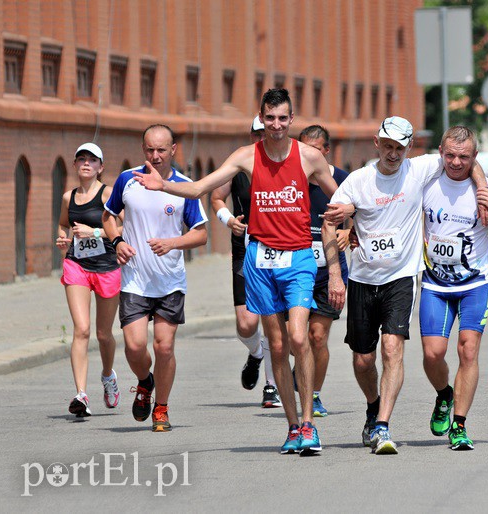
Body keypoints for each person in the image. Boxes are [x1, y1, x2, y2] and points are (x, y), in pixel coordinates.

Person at [131, 89, 344, 455]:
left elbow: (340, 197)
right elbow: (202, 187)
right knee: (276, 345)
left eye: (282, 118)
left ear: (291, 120)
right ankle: (293, 427)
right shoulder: (246, 156)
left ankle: (309, 423)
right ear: (261, 119)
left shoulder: (309, 157)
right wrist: (163, 184)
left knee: (297, 337)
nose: (275, 126)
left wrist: (347, 224)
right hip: (260, 259)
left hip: (298, 258)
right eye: (269, 119)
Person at [323, 116, 488, 455]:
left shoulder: (419, 169)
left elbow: (465, 158)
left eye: (400, 147)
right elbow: (329, 223)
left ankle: (383, 426)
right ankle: (373, 406)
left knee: (392, 348)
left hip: (401, 277)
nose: (393, 153)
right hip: (361, 278)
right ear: (376, 143)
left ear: (409, 147)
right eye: (387, 145)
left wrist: (484, 190)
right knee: (362, 360)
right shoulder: (357, 181)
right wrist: (335, 275)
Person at [420, 126, 488, 451]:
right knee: (432, 354)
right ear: (440, 151)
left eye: (464, 157)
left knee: (468, 350)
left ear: (474, 157)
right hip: (435, 283)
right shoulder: (428, 181)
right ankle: (444, 395)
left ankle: (460, 425)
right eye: (450, 154)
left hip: (475, 283)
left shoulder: (487, 190)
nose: (455, 162)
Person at [102, 125, 208, 432]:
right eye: (149, 149)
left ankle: (161, 408)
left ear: (173, 150)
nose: (155, 155)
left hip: (169, 281)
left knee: (164, 347)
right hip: (135, 279)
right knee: (135, 347)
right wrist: (117, 242)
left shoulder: (183, 187)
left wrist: (172, 243)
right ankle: (145, 382)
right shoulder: (127, 179)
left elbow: (201, 234)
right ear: (142, 149)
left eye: (161, 150)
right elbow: (109, 217)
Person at [210, 116, 282, 408]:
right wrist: (228, 220)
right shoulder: (239, 165)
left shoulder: (285, 165)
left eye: (265, 133)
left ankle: (271, 386)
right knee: (246, 323)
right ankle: (255, 354)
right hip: (245, 248)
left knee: (272, 319)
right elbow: (215, 197)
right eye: (256, 134)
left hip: (279, 249)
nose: (261, 138)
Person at [56, 143, 121, 417]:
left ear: (100, 167)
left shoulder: (108, 194)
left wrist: (94, 232)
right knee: (81, 329)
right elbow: (62, 224)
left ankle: (108, 376)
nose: (86, 163)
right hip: (76, 266)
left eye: (92, 160)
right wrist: (63, 239)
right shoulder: (68, 197)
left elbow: (123, 228)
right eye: (81, 159)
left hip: (107, 267)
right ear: (74, 165)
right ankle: (81, 394)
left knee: (103, 334)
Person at [294, 125, 351, 417]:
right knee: (296, 338)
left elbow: (360, 213)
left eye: (315, 149)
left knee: (317, 335)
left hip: (330, 270)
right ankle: (301, 367)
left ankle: (314, 394)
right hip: (294, 269)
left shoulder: (341, 180)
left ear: (326, 151)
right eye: (304, 148)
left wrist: (348, 233)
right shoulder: (292, 179)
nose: (309, 155)